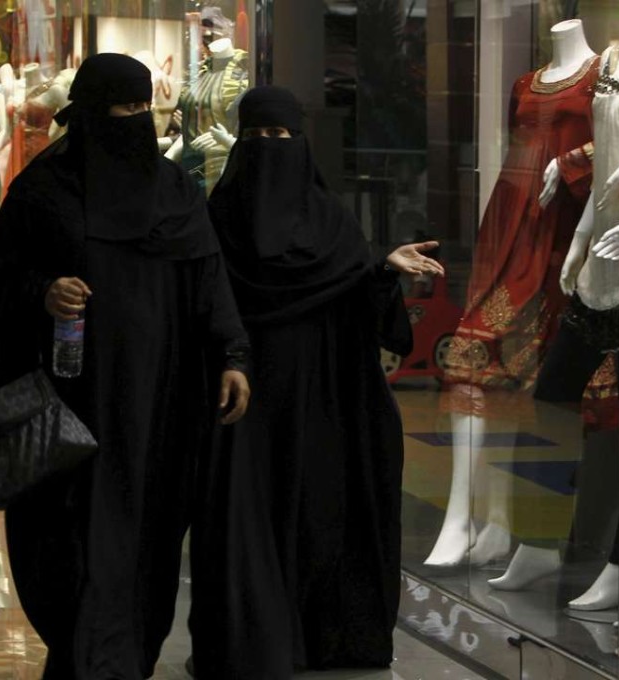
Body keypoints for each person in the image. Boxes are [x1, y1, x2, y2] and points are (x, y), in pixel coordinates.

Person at [0, 53, 251, 679]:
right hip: (71, 403)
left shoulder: (175, 190)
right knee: (70, 536)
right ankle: (87, 654)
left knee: (149, 532)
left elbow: (208, 279)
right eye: (120, 109)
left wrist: (232, 354)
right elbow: (3, 277)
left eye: (141, 108)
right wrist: (43, 291)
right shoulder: (43, 190)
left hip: (162, 400)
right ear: (87, 115)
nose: (134, 121)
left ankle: (123, 655)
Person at [189, 85, 443, 680]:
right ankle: (251, 645)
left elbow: (354, 302)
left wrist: (381, 271)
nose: (268, 149)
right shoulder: (215, 221)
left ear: (300, 143)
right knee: (245, 519)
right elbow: (199, 304)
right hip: (242, 397)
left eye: (279, 136)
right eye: (255, 137)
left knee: (319, 512)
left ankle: (326, 639)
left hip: (321, 401)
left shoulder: (332, 222)